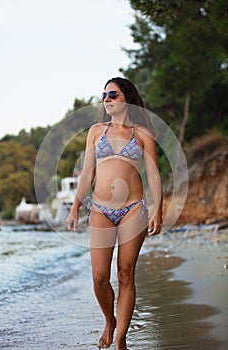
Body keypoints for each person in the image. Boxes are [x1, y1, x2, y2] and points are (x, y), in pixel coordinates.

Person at [66, 77, 162, 350]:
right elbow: (87, 173)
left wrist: (158, 209)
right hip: (100, 209)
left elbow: (154, 176)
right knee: (99, 276)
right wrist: (74, 208)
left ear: (126, 99)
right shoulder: (96, 131)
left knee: (125, 273)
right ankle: (110, 321)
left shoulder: (142, 134)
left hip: (134, 209)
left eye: (113, 94)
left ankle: (121, 341)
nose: (106, 99)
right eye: (104, 95)